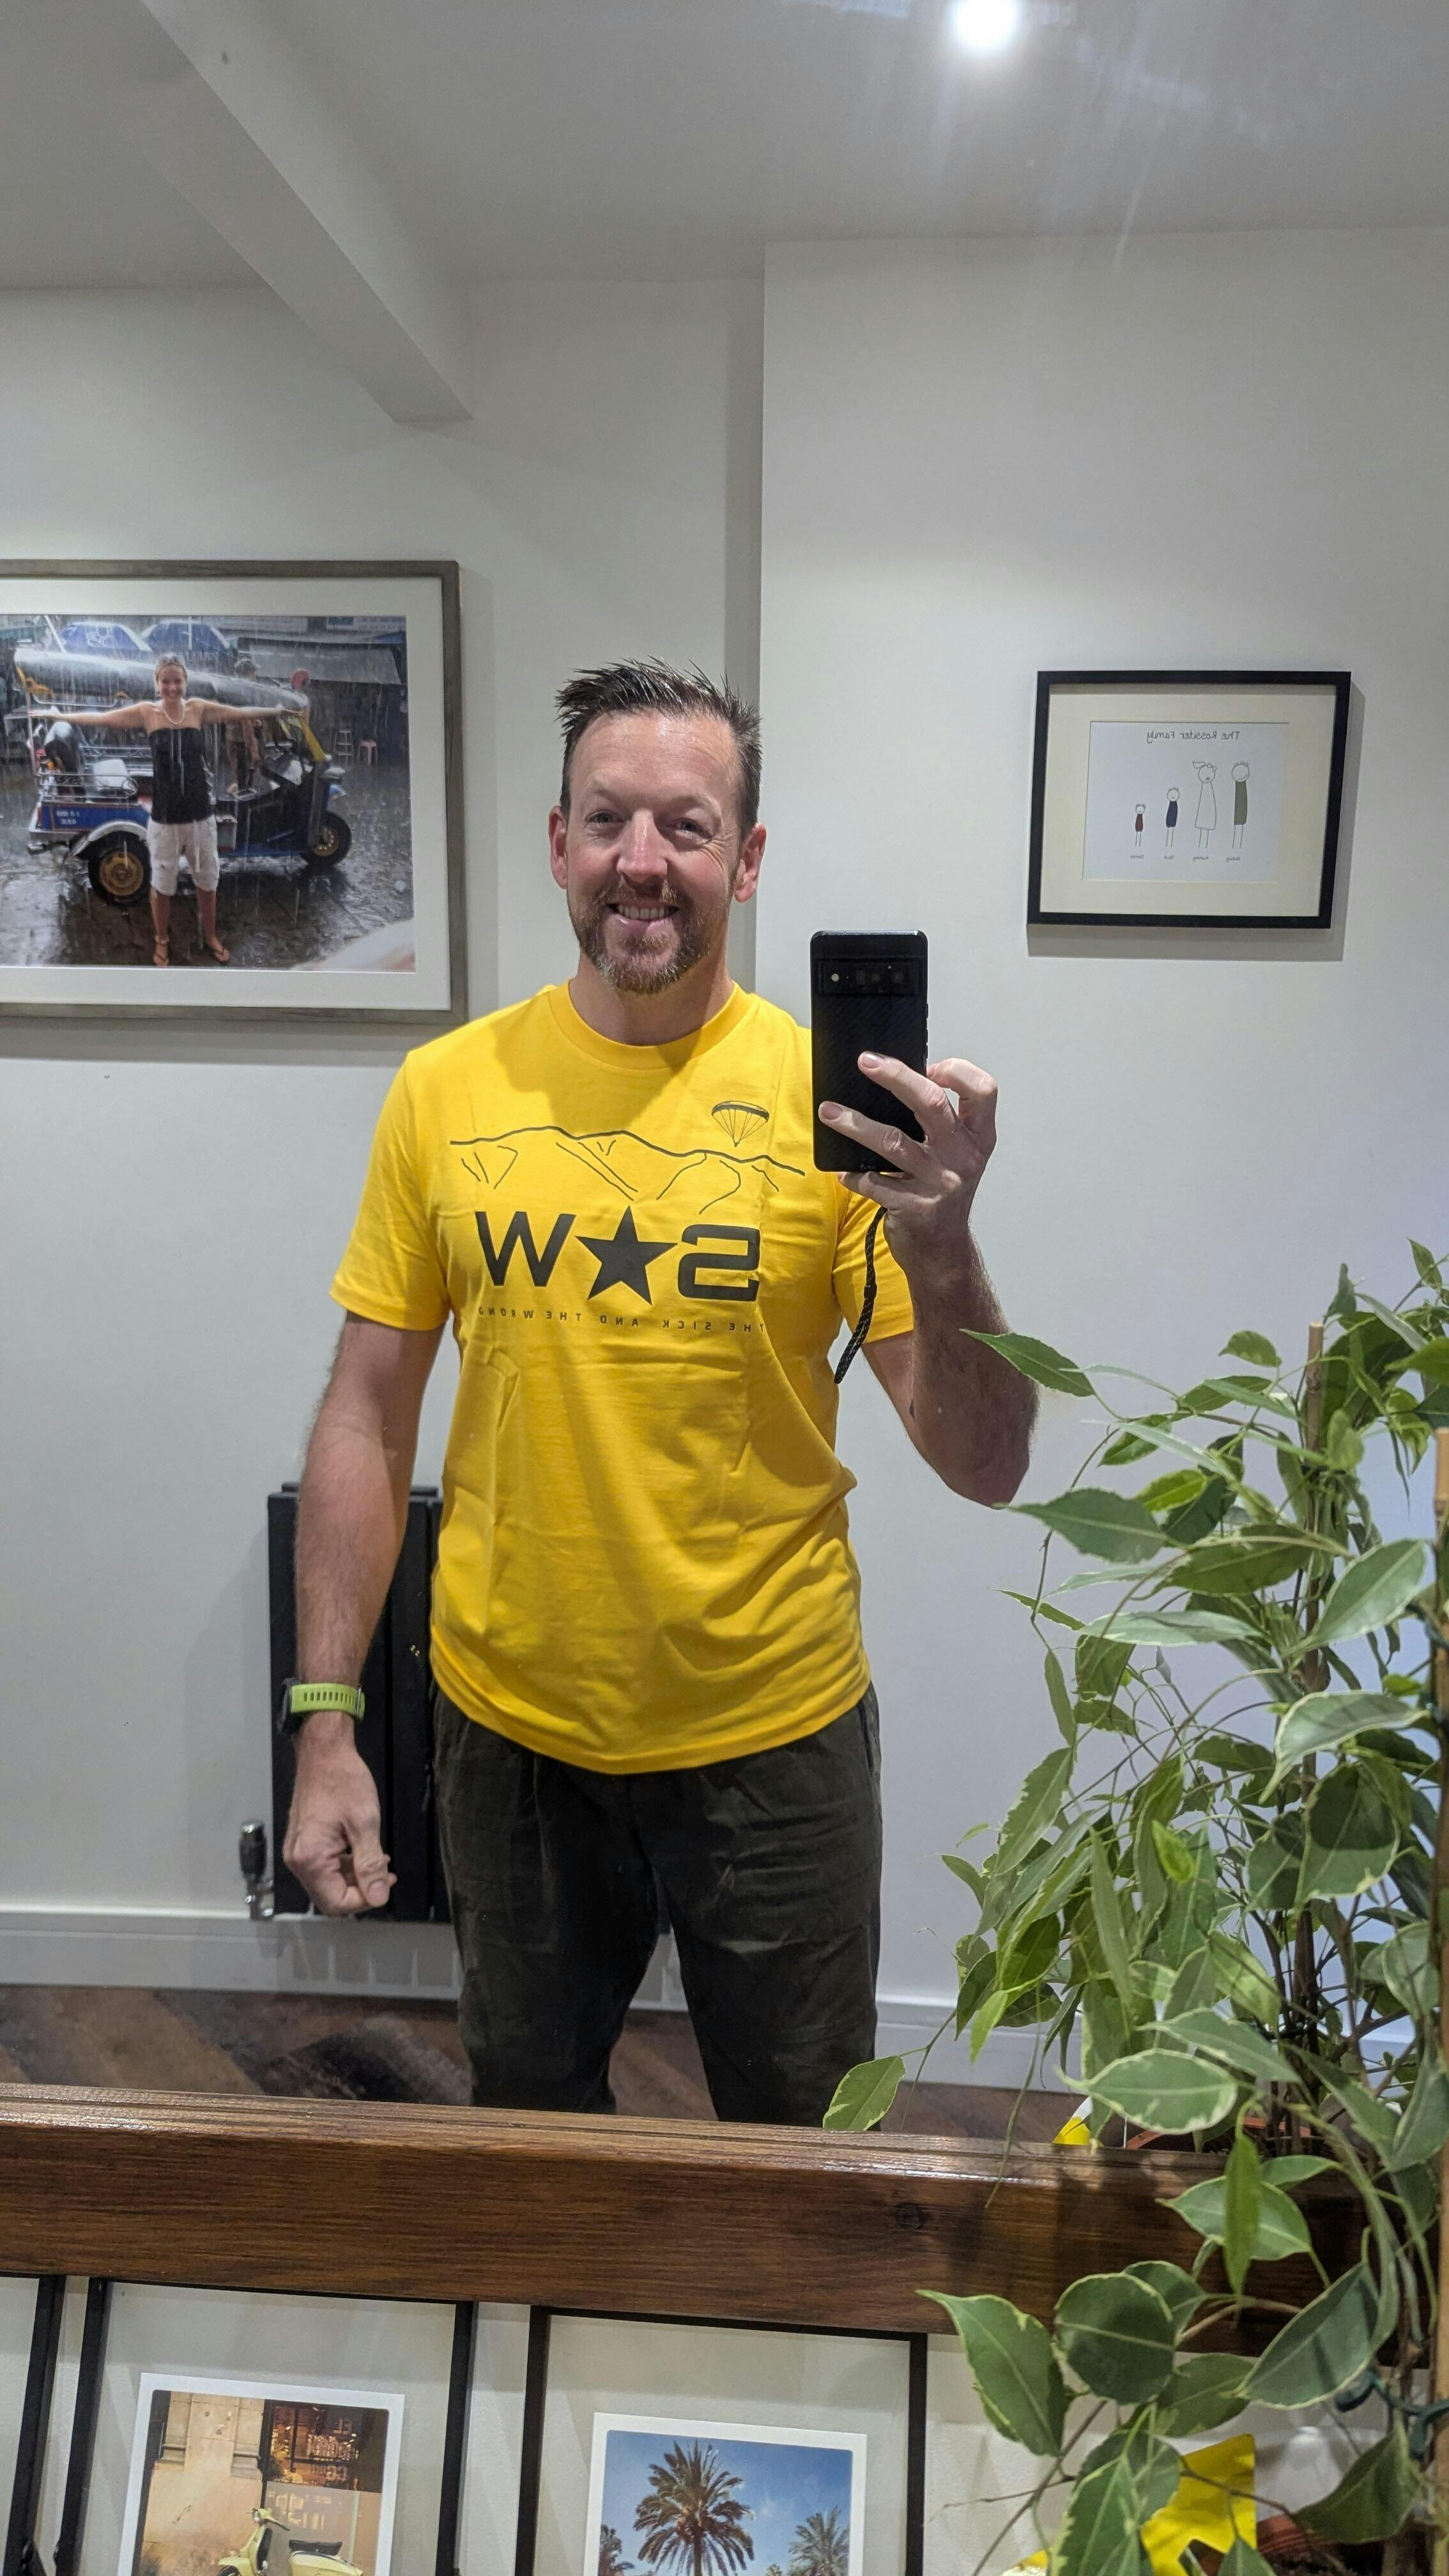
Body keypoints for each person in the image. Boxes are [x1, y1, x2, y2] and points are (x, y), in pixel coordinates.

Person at [281, 661, 1036, 2125]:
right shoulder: (445, 1090)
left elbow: (987, 1462)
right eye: (608, 819)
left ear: (745, 860)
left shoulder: (831, 1106)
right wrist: (325, 1722)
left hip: (775, 1736)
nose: (642, 859)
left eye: (686, 826)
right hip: (510, 1734)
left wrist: (943, 1244)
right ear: (557, 842)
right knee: (534, 2138)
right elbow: (365, 1413)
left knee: (803, 2144)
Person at [70, 654, 277, 966]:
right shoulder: (147, 712)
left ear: (185, 683)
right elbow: (102, 718)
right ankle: (162, 941)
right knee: (162, 887)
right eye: (165, 681)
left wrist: (277, 710)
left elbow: (239, 712)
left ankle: (210, 936)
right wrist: (59, 716)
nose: (172, 687)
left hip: (200, 818)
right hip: (165, 821)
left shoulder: (198, 709)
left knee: (207, 884)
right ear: (157, 684)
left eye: (177, 681)